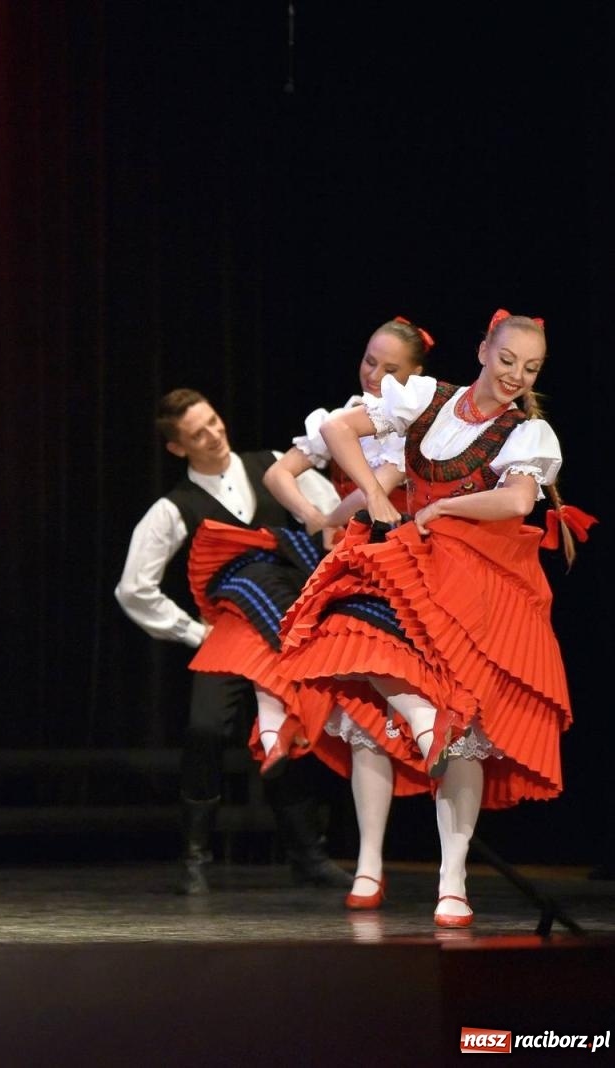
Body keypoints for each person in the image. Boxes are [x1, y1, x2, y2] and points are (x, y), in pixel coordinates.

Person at [278, 310, 584, 926]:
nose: (514, 377)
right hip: (407, 555)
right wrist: (378, 493)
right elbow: (340, 429)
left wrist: (444, 512)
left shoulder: (527, 432)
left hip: (475, 571)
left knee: (464, 719)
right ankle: (401, 780)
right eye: (505, 361)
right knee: (353, 637)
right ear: (482, 351)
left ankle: (453, 879)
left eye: (529, 368)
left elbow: (518, 500)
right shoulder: (427, 398)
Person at [115, 389, 348, 895]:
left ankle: (309, 854)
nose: (214, 435)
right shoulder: (176, 507)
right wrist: (195, 632)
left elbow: (333, 519)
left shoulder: (274, 467)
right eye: (198, 433)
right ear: (178, 448)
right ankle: (195, 858)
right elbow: (133, 587)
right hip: (227, 634)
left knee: (294, 731)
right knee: (204, 729)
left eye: (214, 421)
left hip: (281, 626)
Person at [254, 317, 435, 909]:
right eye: (369, 360)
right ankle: (368, 865)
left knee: (434, 716)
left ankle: (450, 874)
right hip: (352, 569)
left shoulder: (418, 425)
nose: (374, 374)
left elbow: (375, 488)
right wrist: (313, 514)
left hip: (404, 569)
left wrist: (333, 513)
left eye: (390, 368)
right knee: (363, 725)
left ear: (416, 378)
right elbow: (278, 472)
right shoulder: (342, 416)